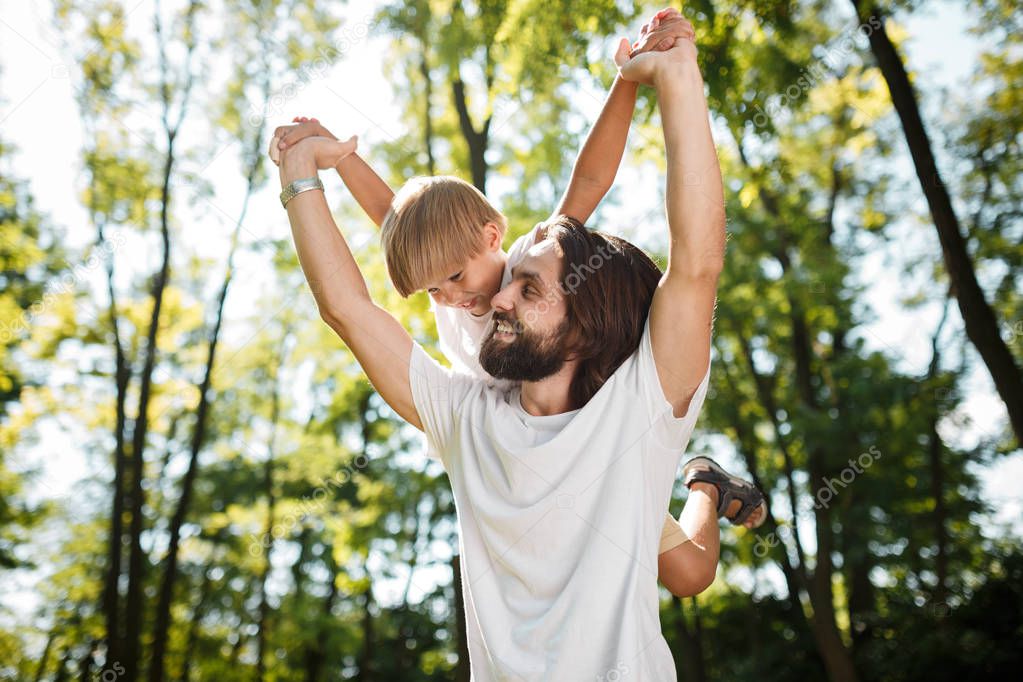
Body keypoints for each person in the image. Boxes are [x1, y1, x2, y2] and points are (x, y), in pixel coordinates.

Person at [273, 15, 759, 677]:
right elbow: (371, 270)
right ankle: (706, 481)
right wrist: (314, 167)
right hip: (529, 465)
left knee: (691, 573)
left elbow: (652, 232)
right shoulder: (468, 414)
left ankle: (701, 481)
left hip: (616, 473)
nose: (479, 300)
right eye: (433, 291)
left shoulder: (624, 396)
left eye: (525, 291)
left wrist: (649, 80)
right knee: (687, 575)